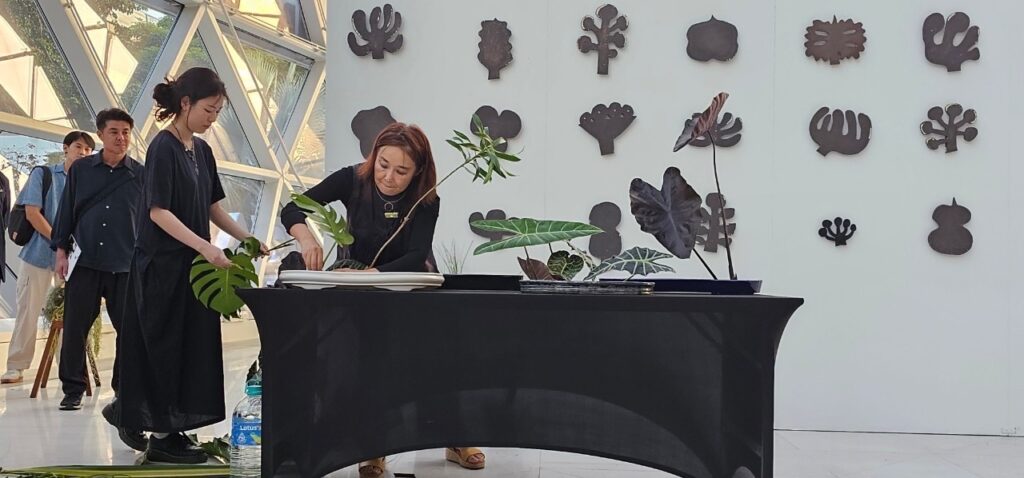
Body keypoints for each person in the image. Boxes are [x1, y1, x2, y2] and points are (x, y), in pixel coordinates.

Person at [280, 122, 486, 476]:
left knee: (436, 360)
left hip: (411, 284)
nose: (389, 177)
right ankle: (373, 448)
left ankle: (455, 438)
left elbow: (416, 255)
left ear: (418, 171)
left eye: (401, 171)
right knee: (370, 363)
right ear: (373, 158)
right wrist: (307, 238)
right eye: (383, 165)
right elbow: (292, 209)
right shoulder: (351, 180)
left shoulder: (426, 198)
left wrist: (370, 275)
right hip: (360, 288)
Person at [105, 67, 267, 464]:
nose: (212, 119)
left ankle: (168, 427)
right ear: (185, 103)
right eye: (208, 110)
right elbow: (158, 211)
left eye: (217, 112)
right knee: (164, 347)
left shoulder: (202, 151)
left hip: (192, 269)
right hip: (161, 267)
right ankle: (162, 435)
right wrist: (205, 247)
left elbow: (212, 206)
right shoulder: (163, 147)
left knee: (188, 350)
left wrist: (245, 237)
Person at [51, 108, 145, 414]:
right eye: (114, 132)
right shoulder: (81, 170)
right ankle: (72, 390)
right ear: (101, 134)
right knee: (75, 328)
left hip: (125, 263)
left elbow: (149, 219)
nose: (121, 138)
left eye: (126, 132)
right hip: (85, 261)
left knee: (128, 330)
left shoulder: (140, 174)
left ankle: (123, 389)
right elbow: (67, 209)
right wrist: (61, 252)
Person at [1, 131, 94, 385]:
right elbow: (33, 214)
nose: (83, 153)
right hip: (38, 256)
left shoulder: (88, 183)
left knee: (70, 315)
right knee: (28, 311)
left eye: (88, 150)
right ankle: (16, 366)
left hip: (72, 261)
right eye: (78, 147)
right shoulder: (44, 175)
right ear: (66, 148)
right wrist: (60, 241)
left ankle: (69, 368)